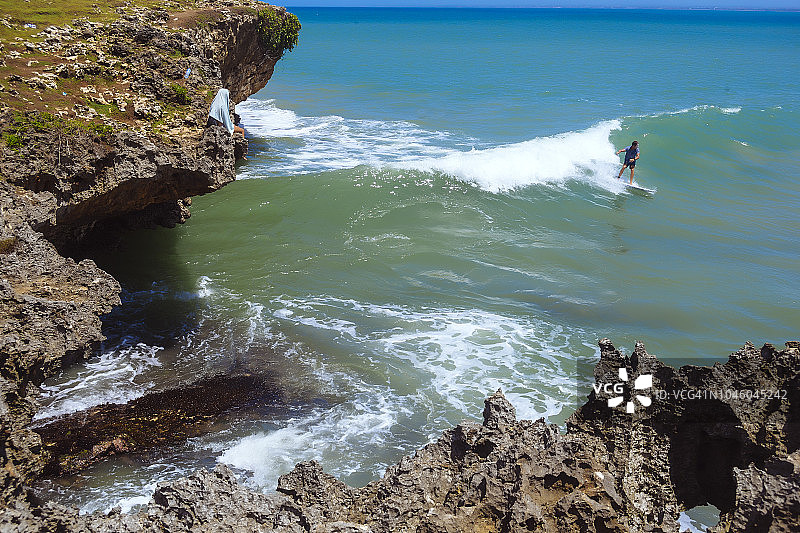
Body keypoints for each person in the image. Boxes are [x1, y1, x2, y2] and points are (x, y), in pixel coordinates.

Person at [207, 88, 247, 157]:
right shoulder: (222, 106)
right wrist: (229, 130)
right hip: (220, 127)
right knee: (242, 131)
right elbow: (224, 121)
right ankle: (243, 154)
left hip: (211, 124)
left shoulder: (214, 103)